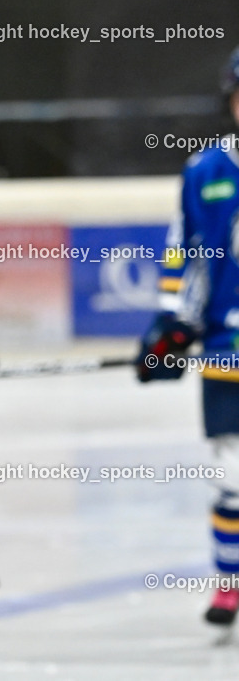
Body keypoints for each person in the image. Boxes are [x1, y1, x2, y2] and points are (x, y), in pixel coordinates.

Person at [137, 45, 239, 628]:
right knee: (230, 476)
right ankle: (229, 582)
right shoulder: (206, 172)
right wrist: (172, 325)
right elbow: (184, 254)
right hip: (227, 356)